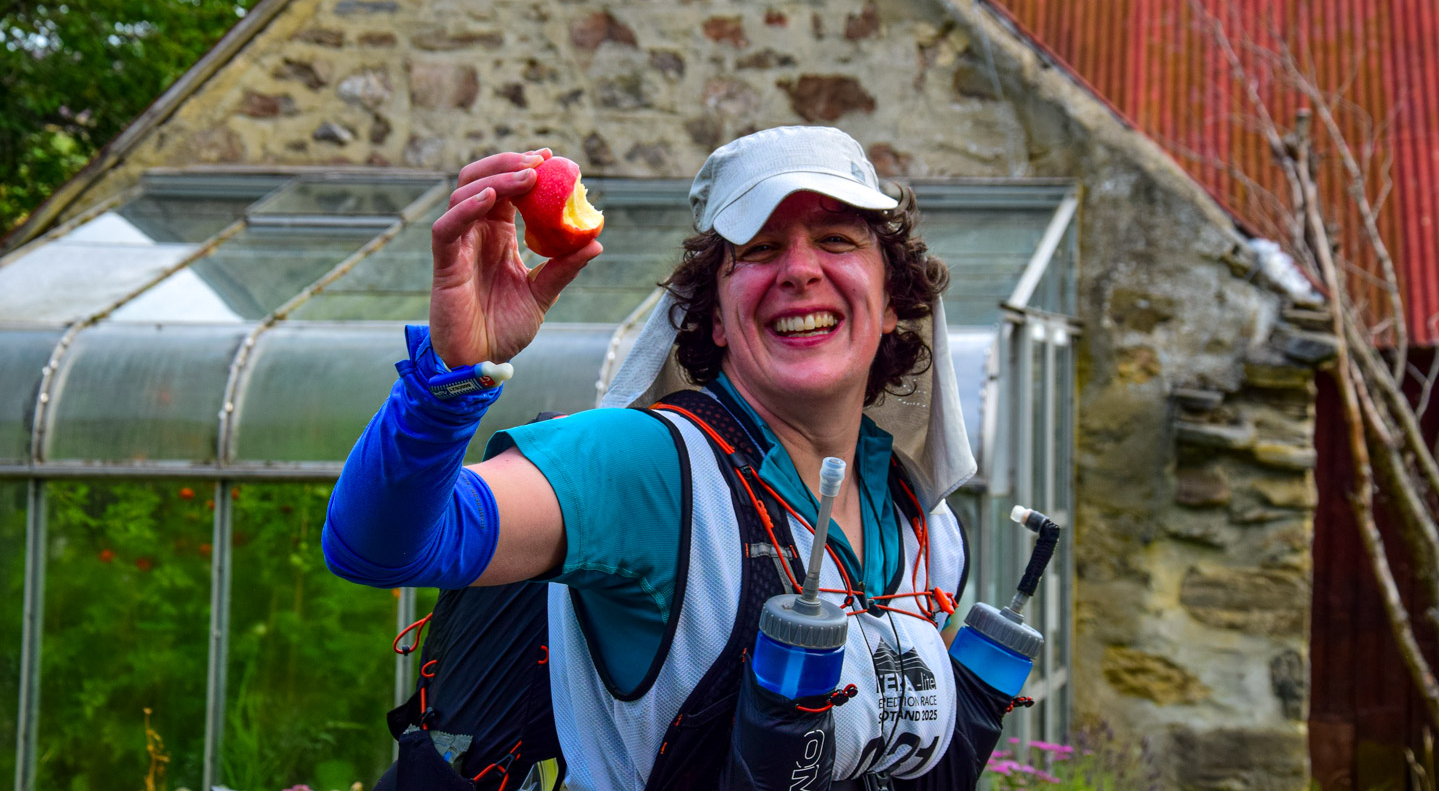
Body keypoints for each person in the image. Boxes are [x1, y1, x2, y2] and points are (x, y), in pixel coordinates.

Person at [324, 126, 1005, 789]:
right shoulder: (651, 468)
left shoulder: (926, 527)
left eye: (837, 239)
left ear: (892, 301)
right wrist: (451, 377)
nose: (800, 270)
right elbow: (378, 549)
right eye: (760, 248)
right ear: (714, 317)